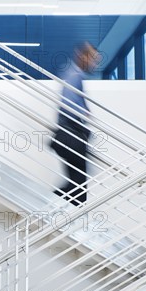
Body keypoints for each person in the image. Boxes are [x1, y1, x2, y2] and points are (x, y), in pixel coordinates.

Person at [51, 41, 99, 206]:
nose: (94, 63)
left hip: (70, 135)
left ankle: (52, 203)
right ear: (81, 55)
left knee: (76, 184)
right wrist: (84, 114)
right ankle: (51, 203)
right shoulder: (74, 75)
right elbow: (69, 106)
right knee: (78, 185)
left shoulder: (74, 74)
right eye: (92, 58)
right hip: (71, 135)